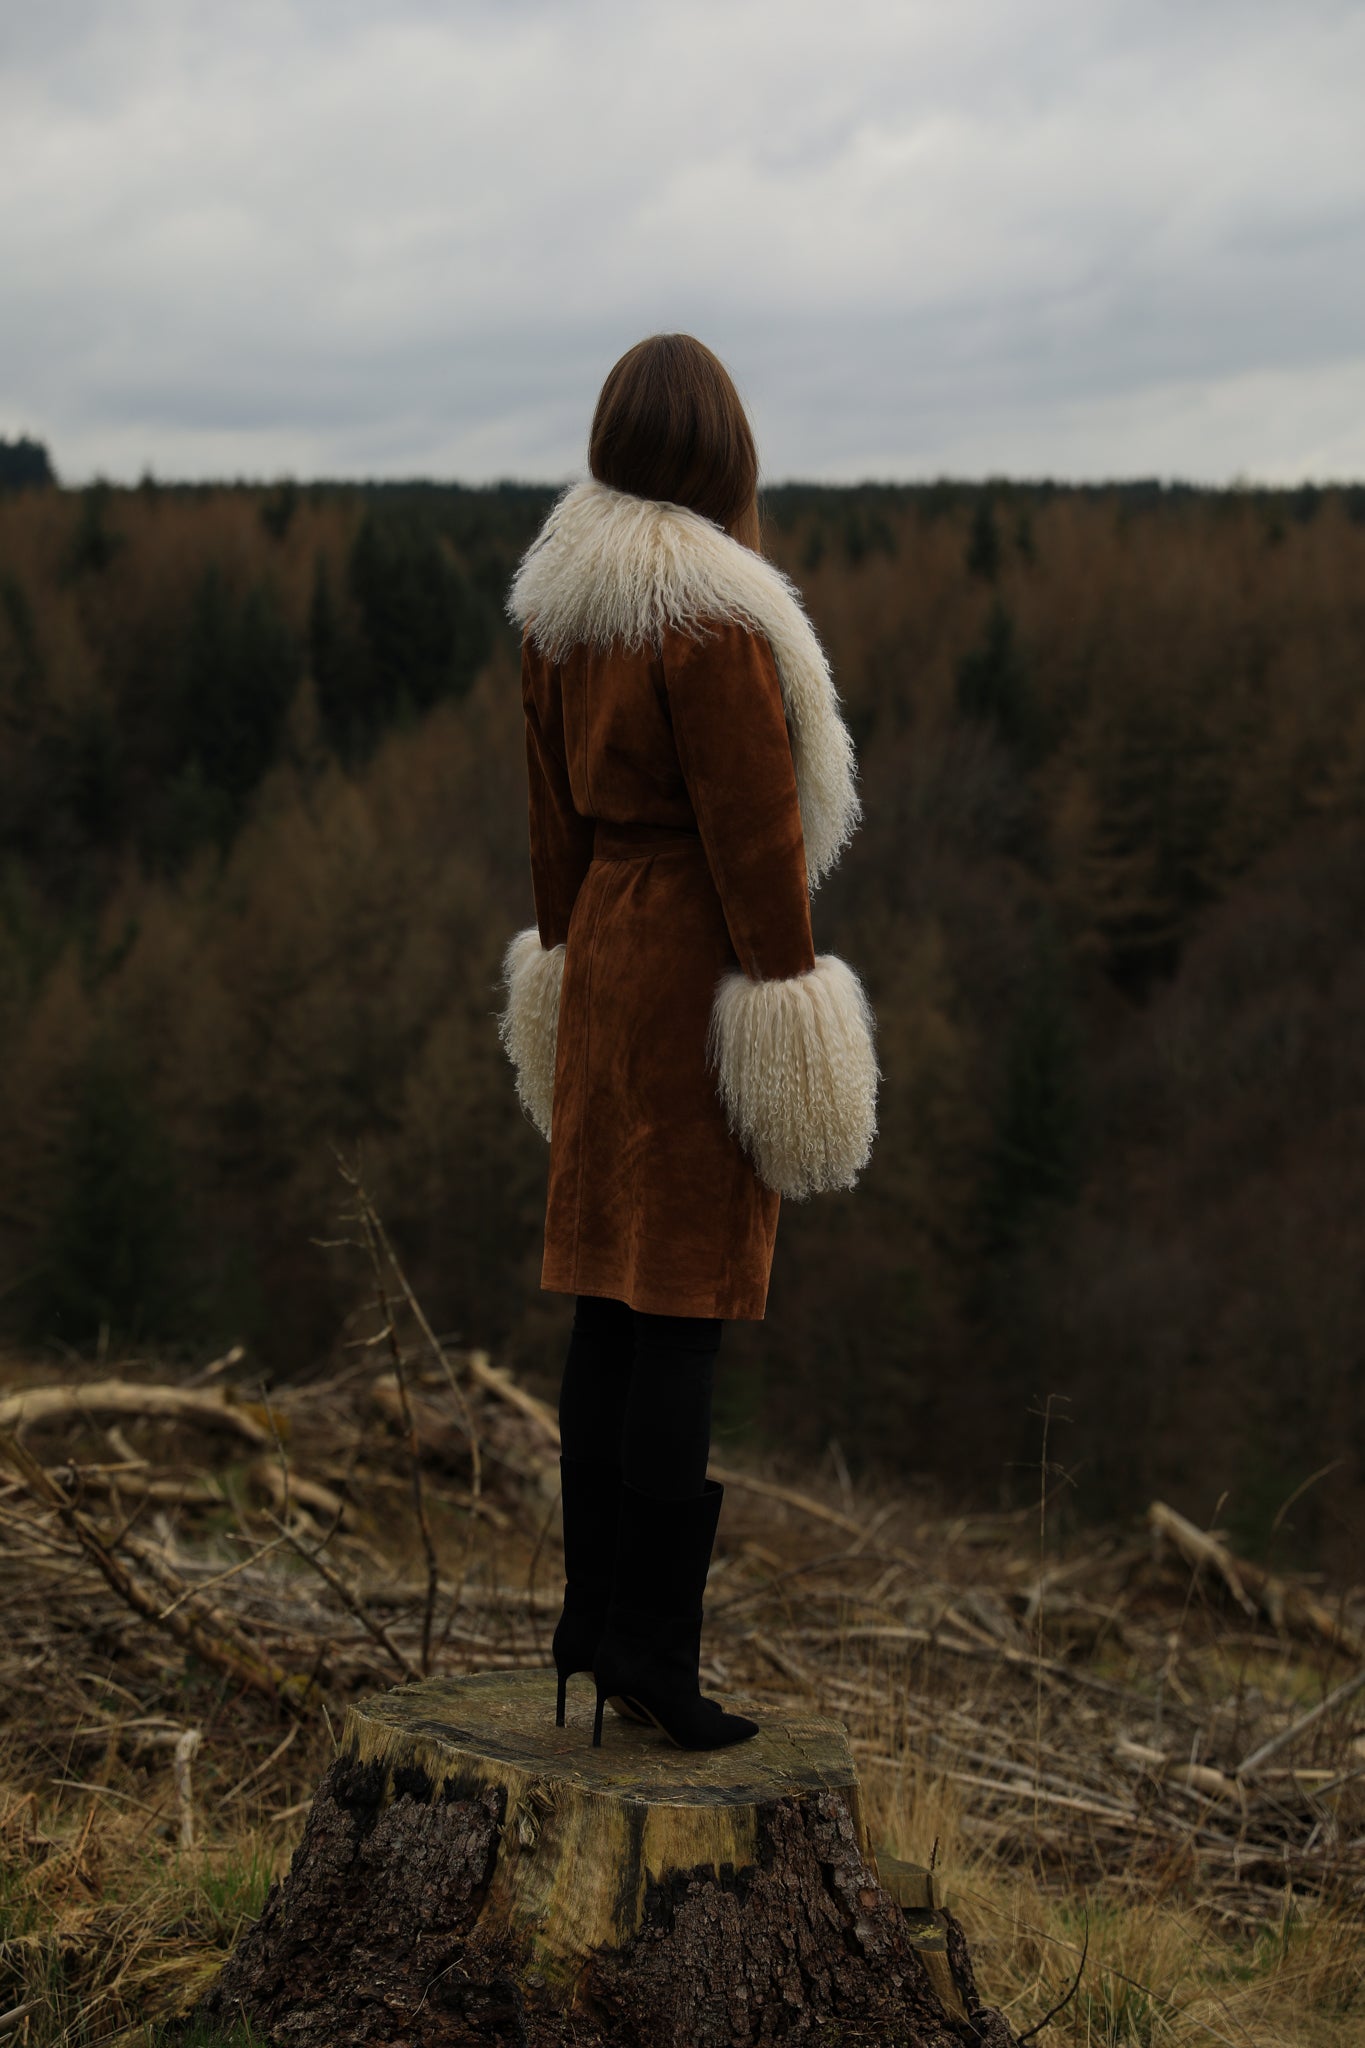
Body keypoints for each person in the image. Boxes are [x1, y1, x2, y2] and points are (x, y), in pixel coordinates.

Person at [497, 334, 878, 1751]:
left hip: (599, 953)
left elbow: (549, 826)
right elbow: (754, 834)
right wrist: (789, 999)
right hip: (693, 971)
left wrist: (567, 959)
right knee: (682, 1312)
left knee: (608, 1302)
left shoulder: (561, 613)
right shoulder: (709, 622)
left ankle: (591, 1628)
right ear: (723, 454)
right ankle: (653, 1655)